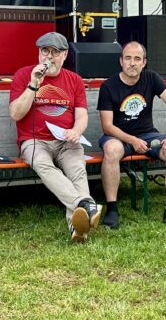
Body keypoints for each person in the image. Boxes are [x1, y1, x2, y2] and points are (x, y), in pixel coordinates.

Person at [9, 32, 102, 243]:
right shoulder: (24, 75)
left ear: (65, 55)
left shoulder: (74, 80)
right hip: (34, 141)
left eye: (55, 52)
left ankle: (78, 228)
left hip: (66, 140)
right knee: (43, 165)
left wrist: (76, 131)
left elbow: (82, 115)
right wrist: (33, 84)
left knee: (77, 170)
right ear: (38, 53)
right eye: (45, 51)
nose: (49, 57)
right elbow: (16, 114)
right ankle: (85, 204)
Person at [97, 41, 166, 229]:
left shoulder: (151, 78)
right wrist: (132, 140)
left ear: (144, 62)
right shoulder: (108, 86)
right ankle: (112, 209)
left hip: (148, 135)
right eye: (128, 58)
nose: (132, 63)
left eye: (137, 59)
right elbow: (107, 126)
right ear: (121, 61)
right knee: (112, 149)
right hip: (119, 136)